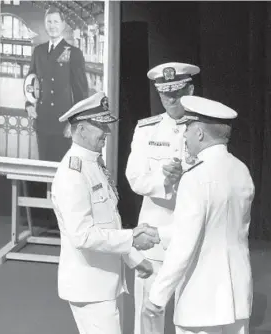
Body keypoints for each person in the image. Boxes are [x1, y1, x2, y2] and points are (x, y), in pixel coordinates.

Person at [51, 91, 161, 334]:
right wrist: (132, 237)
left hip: (103, 283)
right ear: (80, 130)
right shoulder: (73, 174)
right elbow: (83, 236)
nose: (108, 133)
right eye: (101, 126)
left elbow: (109, 223)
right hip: (90, 287)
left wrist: (132, 257)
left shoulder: (94, 164)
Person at [144, 96, 255, 334]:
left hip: (201, 301)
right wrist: (159, 233)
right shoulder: (242, 170)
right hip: (236, 299)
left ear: (200, 134)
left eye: (187, 129)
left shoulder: (195, 177)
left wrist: (157, 296)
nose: (184, 136)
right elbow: (217, 226)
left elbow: (185, 244)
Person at [125, 62, 200, 334]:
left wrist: (186, 176)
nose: (171, 99)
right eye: (164, 94)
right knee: (148, 315)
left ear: (190, 89)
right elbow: (134, 177)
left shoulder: (205, 128)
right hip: (154, 233)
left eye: (177, 92)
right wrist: (164, 181)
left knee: (190, 315)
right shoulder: (148, 129)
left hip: (190, 232)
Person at [25, 6, 88, 162]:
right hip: (42, 122)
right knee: (43, 167)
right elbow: (30, 81)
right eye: (49, 22)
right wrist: (28, 104)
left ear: (63, 24)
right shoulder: (38, 51)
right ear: (45, 24)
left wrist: (73, 123)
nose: (52, 25)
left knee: (62, 173)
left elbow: (81, 93)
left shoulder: (73, 53)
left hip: (63, 125)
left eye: (55, 22)